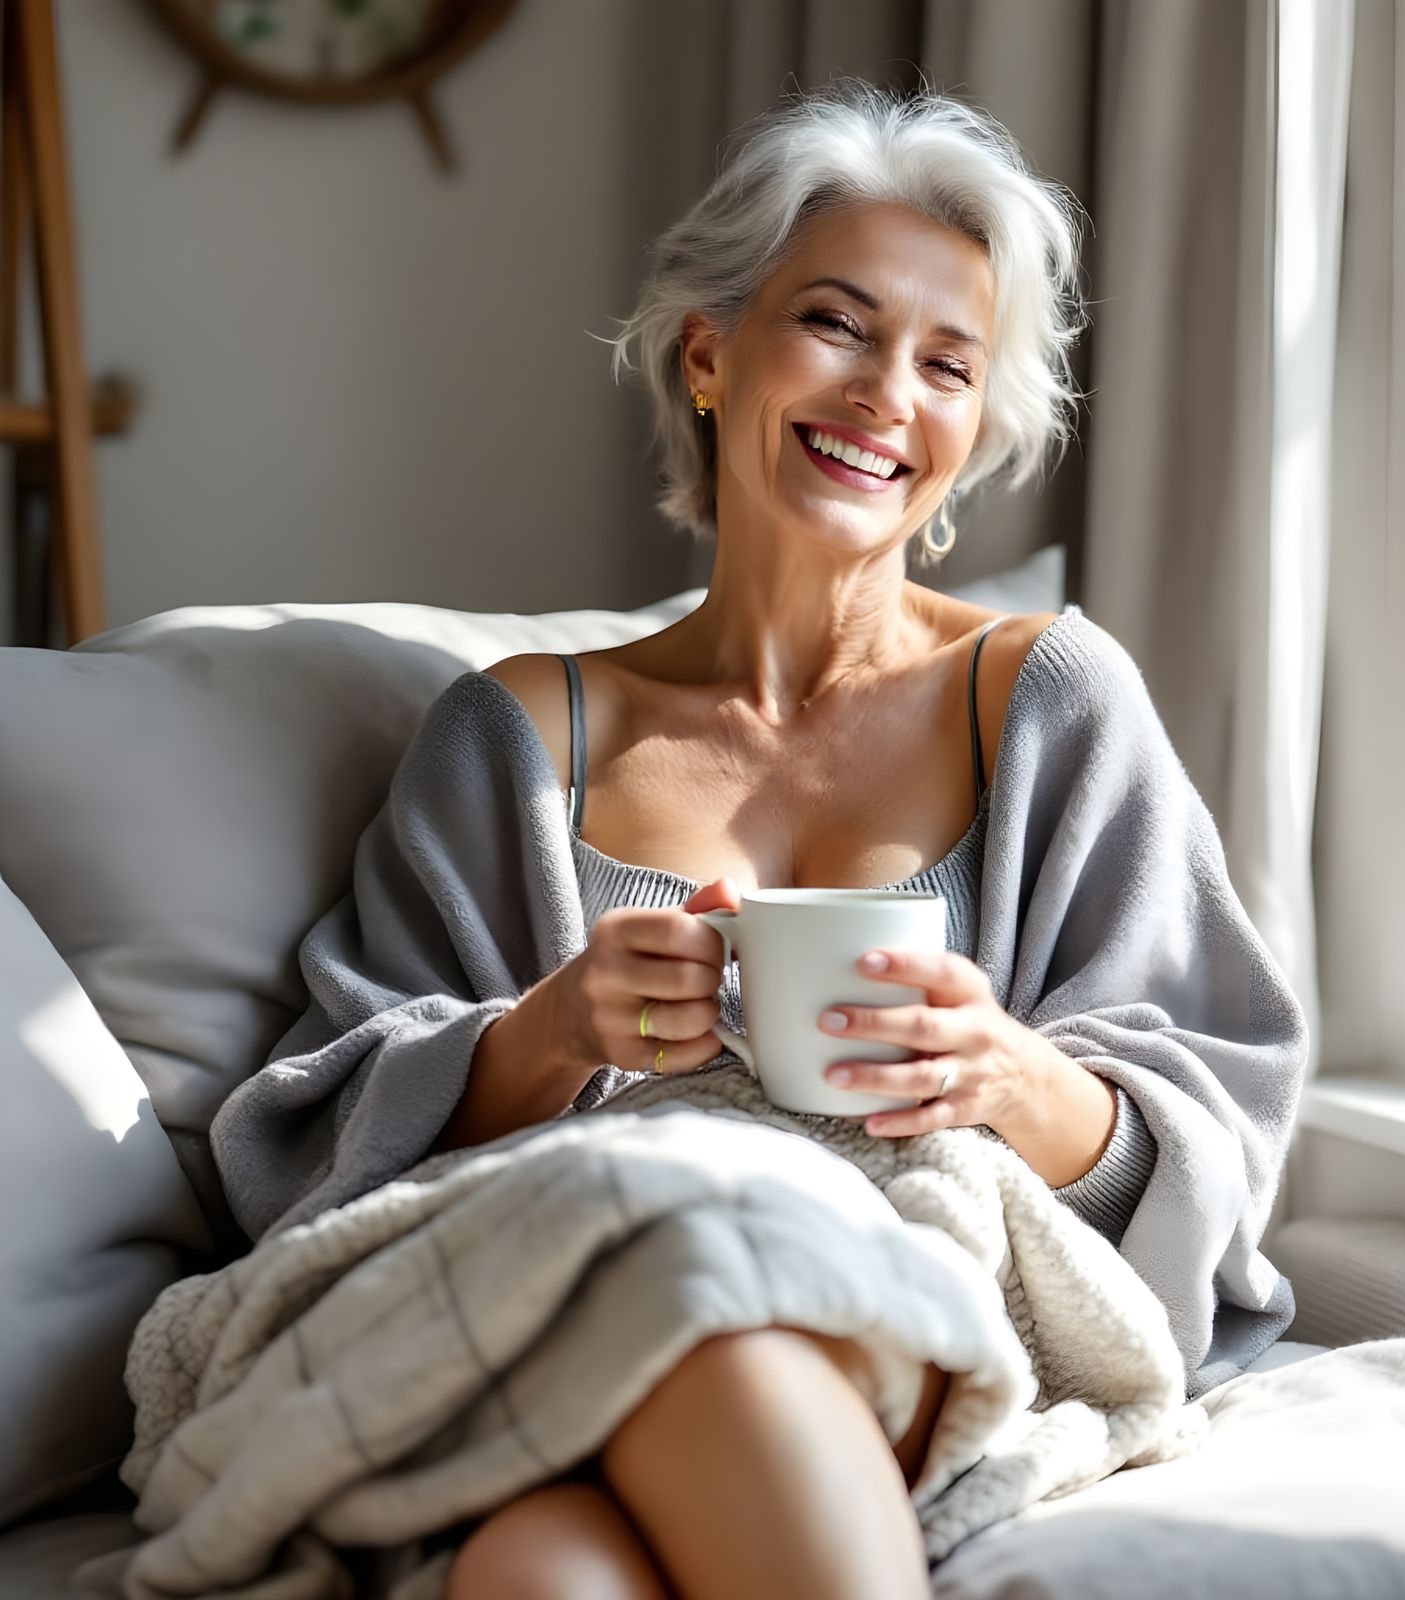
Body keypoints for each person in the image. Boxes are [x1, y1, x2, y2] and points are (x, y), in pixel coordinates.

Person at [210, 77, 1309, 1600]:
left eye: (947, 363)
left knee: (715, 1296)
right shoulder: (519, 735)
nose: (886, 396)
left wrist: (1021, 1083)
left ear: (973, 427)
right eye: (840, 325)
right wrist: (546, 1033)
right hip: (567, 1281)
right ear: (711, 351)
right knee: (540, 1577)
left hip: (900, 1281)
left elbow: (1220, 1112)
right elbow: (318, 1138)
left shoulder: (1049, 697)